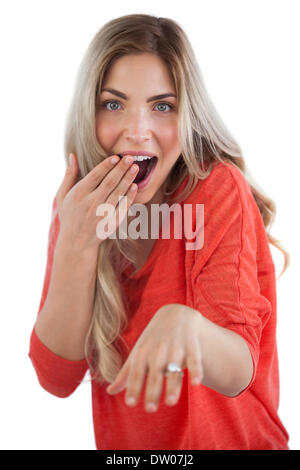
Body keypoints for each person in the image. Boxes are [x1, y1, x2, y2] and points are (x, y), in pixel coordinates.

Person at [28, 14, 290, 450]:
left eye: (162, 106)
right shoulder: (78, 207)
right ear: (88, 114)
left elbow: (239, 369)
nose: (137, 130)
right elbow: (55, 377)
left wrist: (187, 326)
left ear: (187, 116)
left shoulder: (216, 188)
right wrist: (77, 242)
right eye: (114, 104)